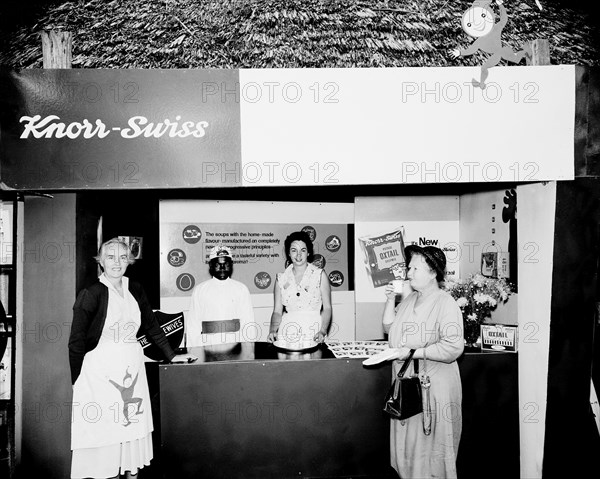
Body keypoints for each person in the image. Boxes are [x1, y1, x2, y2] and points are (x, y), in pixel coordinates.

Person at [68, 237, 175, 479]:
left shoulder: (134, 288)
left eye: (122, 257)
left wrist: (171, 355)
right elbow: (75, 342)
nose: (117, 262)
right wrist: (78, 380)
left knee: (129, 431)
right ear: (100, 261)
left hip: (132, 371)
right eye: (110, 256)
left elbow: (151, 325)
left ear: (129, 260)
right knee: (107, 436)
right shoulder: (91, 293)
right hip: (99, 376)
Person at [382, 245, 464, 479]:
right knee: (409, 450)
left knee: (430, 453)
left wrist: (413, 352)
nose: (408, 272)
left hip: (432, 391)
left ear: (432, 272)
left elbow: (453, 347)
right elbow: (390, 329)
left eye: (414, 267)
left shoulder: (445, 303)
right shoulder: (409, 301)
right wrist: (390, 300)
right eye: (409, 267)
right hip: (408, 390)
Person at [267, 231, 332, 344]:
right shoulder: (280, 279)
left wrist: (322, 331)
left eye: (303, 250)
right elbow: (277, 312)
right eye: (294, 250)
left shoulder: (319, 275)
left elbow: (327, 308)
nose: (298, 255)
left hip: (314, 332)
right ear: (288, 253)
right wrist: (272, 330)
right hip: (287, 332)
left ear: (308, 252)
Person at [186, 244, 255, 347]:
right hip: (208, 347)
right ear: (211, 265)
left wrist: (248, 351)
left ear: (231, 265)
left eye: (226, 263)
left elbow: (248, 323)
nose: (222, 267)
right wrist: (194, 352)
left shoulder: (241, 289)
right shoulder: (200, 290)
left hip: (235, 348)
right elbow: (193, 326)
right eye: (218, 264)